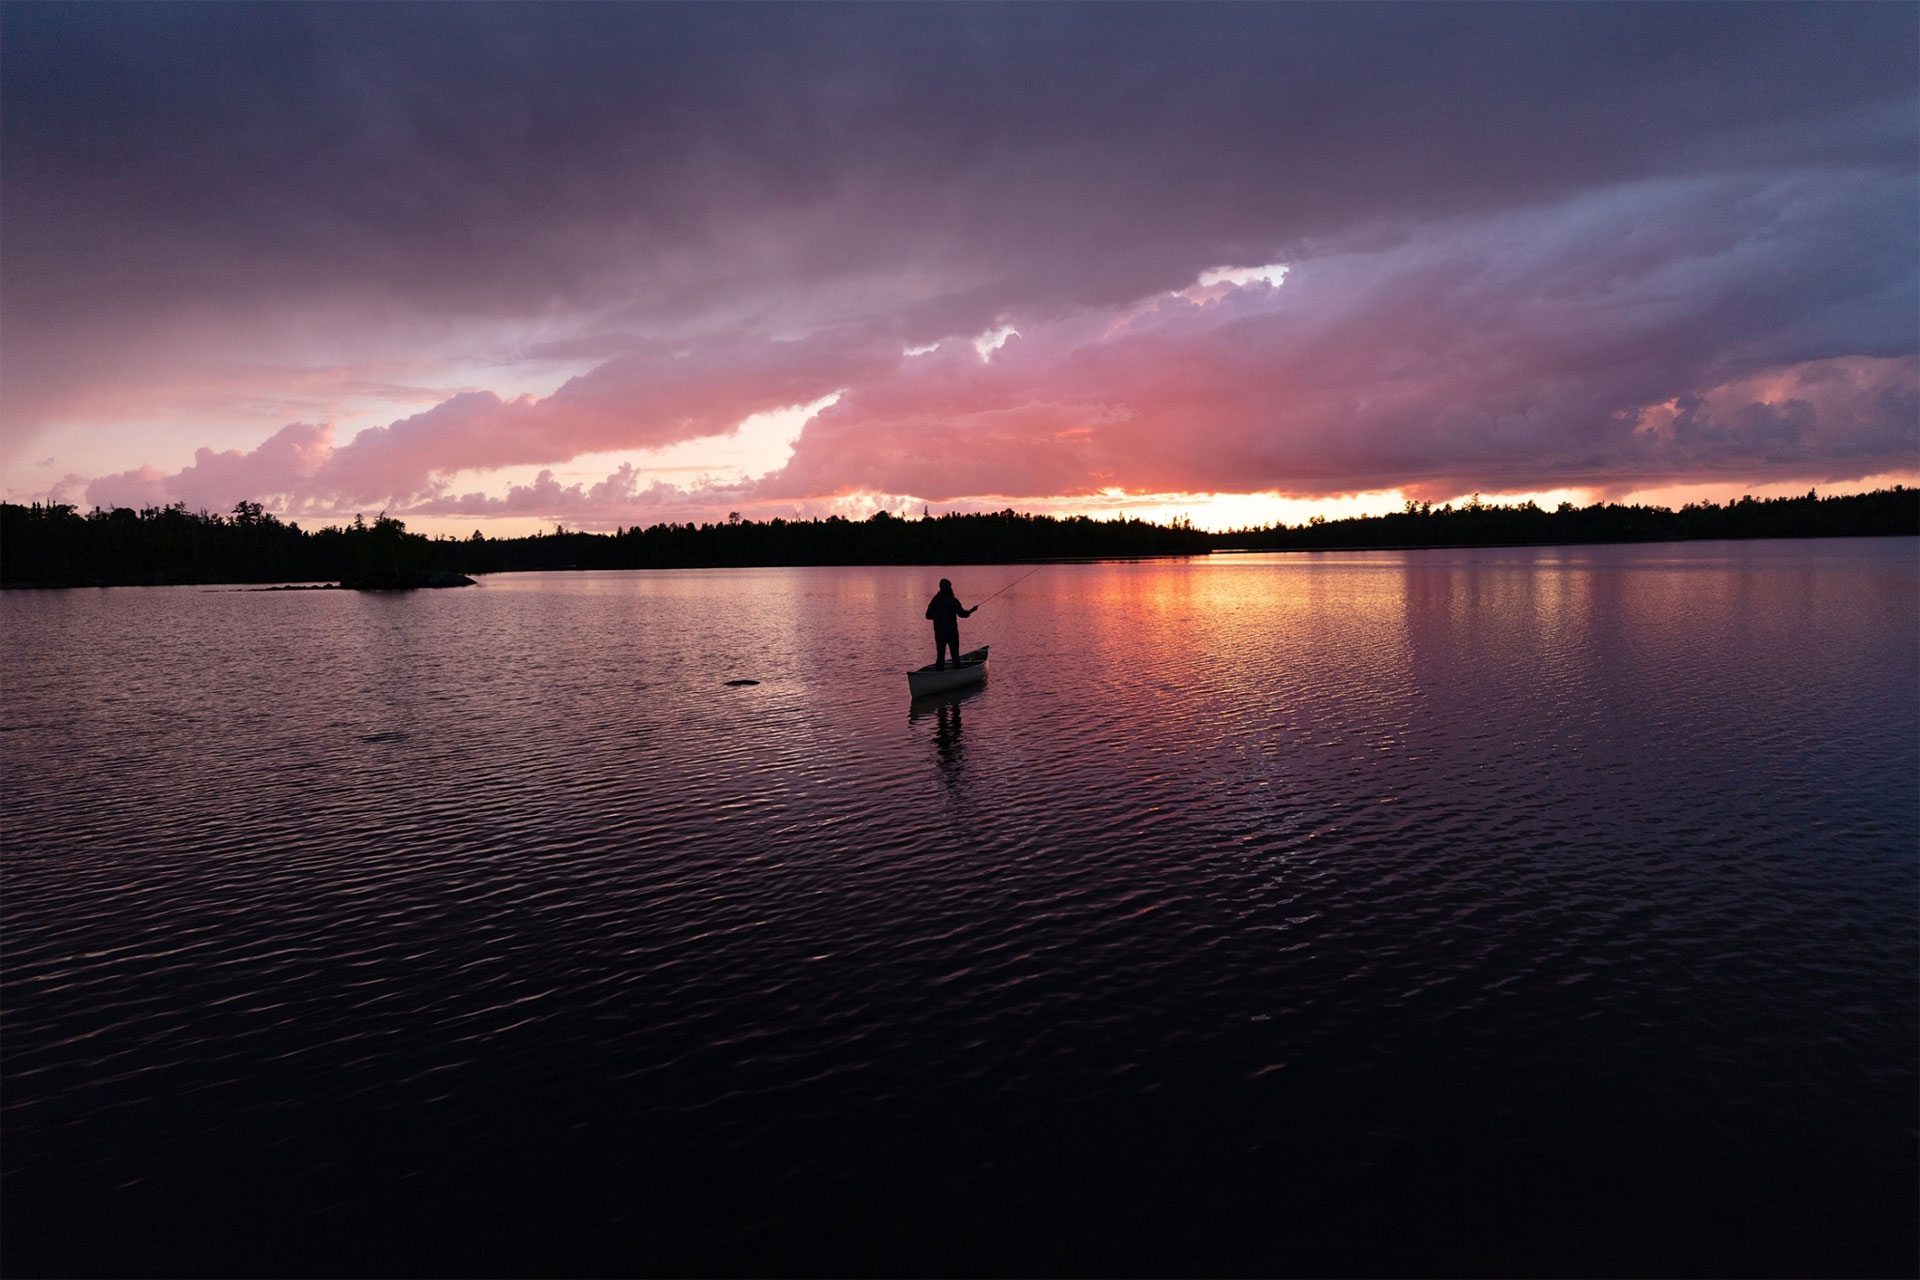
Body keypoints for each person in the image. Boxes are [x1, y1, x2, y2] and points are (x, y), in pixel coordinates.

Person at [925, 578, 977, 669]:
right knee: (955, 656)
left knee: (940, 657)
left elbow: (928, 615)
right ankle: (957, 675)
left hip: (939, 633)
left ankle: (939, 675)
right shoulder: (953, 600)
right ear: (949, 588)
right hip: (952, 633)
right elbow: (962, 614)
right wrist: (972, 610)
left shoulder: (935, 600)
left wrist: (938, 617)